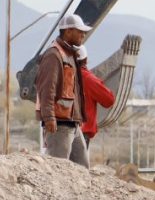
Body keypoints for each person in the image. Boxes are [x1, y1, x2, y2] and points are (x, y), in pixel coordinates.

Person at [35, 13, 91, 168]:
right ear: (67, 32)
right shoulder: (54, 55)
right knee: (58, 169)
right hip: (59, 124)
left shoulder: (69, 55)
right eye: (79, 31)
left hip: (72, 123)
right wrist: (49, 117)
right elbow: (47, 88)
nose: (83, 34)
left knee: (82, 168)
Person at [75, 46, 116, 153]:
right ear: (86, 60)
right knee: (77, 167)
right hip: (81, 133)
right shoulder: (88, 79)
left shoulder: (60, 76)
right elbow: (109, 100)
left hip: (59, 131)